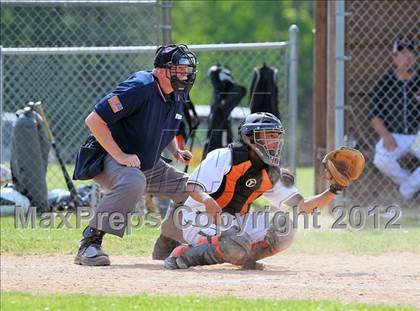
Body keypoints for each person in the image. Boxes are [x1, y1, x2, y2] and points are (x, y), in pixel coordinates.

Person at [159, 112, 342, 270]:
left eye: (276, 137)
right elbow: (192, 186)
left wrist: (335, 188)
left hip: (236, 222)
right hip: (199, 219)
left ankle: (244, 258)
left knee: (284, 228)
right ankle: (183, 255)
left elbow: (302, 206)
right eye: (269, 136)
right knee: (235, 243)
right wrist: (207, 201)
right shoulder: (224, 157)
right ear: (250, 137)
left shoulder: (271, 172)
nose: (275, 142)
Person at [74, 44, 198, 266]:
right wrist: (121, 155)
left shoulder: (177, 92)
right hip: (107, 157)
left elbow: (166, 122)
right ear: (160, 71)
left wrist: (175, 150)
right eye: (178, 69)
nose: (184, 74)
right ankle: (89, 243)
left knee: (195, 189)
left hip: (145, 162)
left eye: (185, 69)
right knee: (133, 181)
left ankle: (167, 243)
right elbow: (94, 120)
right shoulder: (139, 87)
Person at [369, 36, 420, 201]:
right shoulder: (385, 83)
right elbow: (375, 115)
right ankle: (410, 187)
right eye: (402, 54)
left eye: (411, 53)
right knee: (381, 158)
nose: (408, 58)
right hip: (395, 135)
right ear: (394, 57)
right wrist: (386, 136)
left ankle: (404, 193)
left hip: (418, 135)